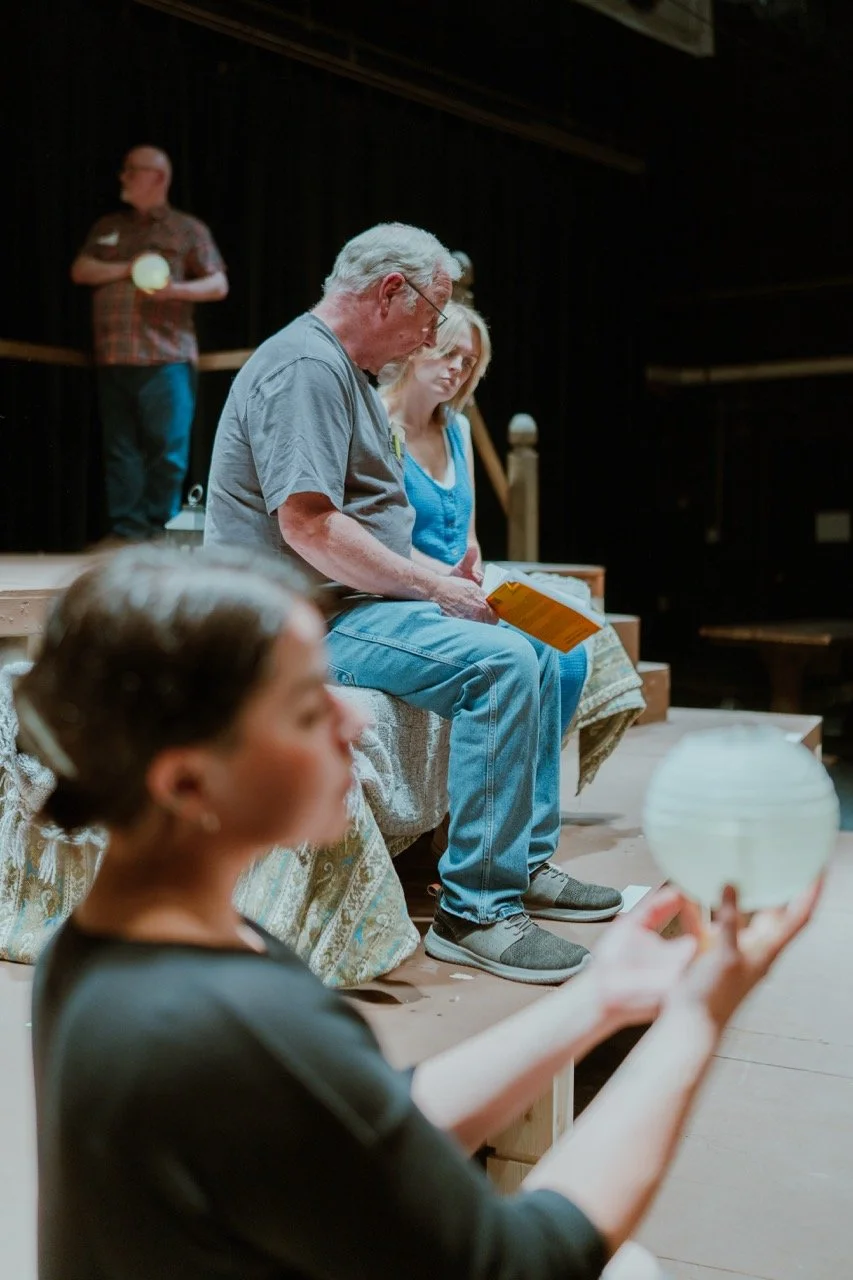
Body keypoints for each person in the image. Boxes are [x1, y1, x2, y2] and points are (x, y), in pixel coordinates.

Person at [18, 544, 820, 1280]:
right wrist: (696, 1014)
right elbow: (520, 1264)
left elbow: (362, 1123)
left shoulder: (103, 941)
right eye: (309, 708)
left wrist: (601, 998)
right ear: (187, 784)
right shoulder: (223, 1028)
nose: (357, 718)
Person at [205, 221, 622, 986]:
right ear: (388, 290)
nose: (435, 331)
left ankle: (520, 862)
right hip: (289, 623)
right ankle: (474, 913)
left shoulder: (348, 376)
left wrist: (443, 573)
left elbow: (363, 527)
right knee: (498, 664)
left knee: (548, 643)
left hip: (347, 603)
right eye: (432, 311)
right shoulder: (303, 366)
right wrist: (434, 587)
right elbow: (307, 525)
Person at [380, 300, 588, 738]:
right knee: (525, 651)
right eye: (448, 353)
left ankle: (527, 791)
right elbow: (385, 536)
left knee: (571, 654)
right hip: (411, 588)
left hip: (462, 584)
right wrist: (450, 583)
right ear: (419, 346)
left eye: (468, 361)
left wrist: (478, 579)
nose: (456, 368)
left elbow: (468, 537)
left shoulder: (458, 428)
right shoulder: (379, 421)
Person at [71, 145, 228, 544]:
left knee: (167, 451)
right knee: (120, 450)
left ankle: (160, 531)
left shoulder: (186, 228)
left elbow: (217, 283)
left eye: (131, 170)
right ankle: (126, 532)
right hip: (113, 356)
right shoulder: (110, 226)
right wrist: (130, 267)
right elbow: (81, 269)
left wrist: (173, 290)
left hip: (166, 357)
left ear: (157, 178)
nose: (122, 177)